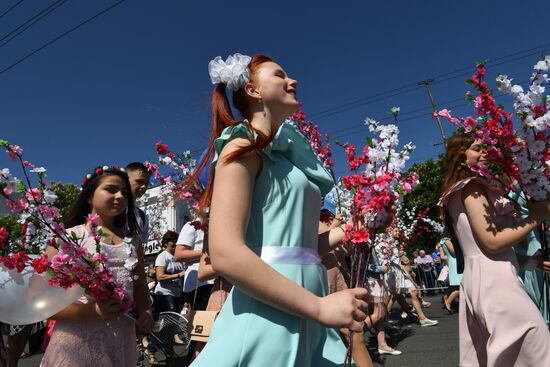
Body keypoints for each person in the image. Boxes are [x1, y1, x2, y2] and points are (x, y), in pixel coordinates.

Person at [189, 53, 369, 366]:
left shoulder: (287, 157)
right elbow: (225, 253)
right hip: (269, 308)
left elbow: (299, 247)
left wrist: (351, 228)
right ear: (253, 91)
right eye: (279, 75)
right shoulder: (240, 145)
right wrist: (318, 308)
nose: (293, 81)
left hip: (308, 300)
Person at [439, 133, 550, 366]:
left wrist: (529, 261)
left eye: (486, 149)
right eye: (476, 149)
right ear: (459, 155)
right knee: (537, 350)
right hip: (496, 286)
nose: (484, 154)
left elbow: (482, 249)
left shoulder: (459, 191)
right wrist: (537, 216)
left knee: (503, 356)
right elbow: (493, 242)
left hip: (480, 282)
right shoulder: (472, 189)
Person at [41, 166, 154, 367]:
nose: (120, 196)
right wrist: (90, 312)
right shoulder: (65, 238)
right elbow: (40, 300)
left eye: (125, 193)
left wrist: (145, 310)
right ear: (89, 197)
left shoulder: (133, 242)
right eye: (111, 189)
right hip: (75, 343)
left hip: (120, 341)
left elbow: (140, 285)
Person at [319, 195, 374, 367]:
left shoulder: (316, 219)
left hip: (336, 279)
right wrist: (342, 225)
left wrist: (352, 226)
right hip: (322, 281)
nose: (320, 195)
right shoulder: (308, 219)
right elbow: (310, 248)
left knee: (354, 333)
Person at [153, 230, 185, 313]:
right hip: (165, 294)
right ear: (166, 243)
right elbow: (160, 277)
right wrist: (178, 275)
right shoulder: (163, 256)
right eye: (173, 241)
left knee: (175, 321)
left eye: (177, 241)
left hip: (177, 295)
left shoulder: (178, 258)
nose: (175, 243)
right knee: (170, 319)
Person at [438, 237, 461, 314]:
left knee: (455, 285)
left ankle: (447, 299)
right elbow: (454, 252)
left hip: (452, 262)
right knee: (460, 286)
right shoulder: (447, 240)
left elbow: (442, 256)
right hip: (455, 262)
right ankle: (448, 301)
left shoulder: (442, 241)